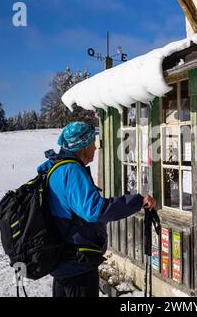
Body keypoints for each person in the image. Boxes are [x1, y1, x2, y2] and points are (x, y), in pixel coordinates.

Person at [37, 121, 156, 297]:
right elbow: (95, 210)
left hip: (65, 261)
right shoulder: (71, 170)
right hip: (76, 264)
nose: (95, 147)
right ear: (83, 146)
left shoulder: (58, 168)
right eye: (93, 143)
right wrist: (137, 201)